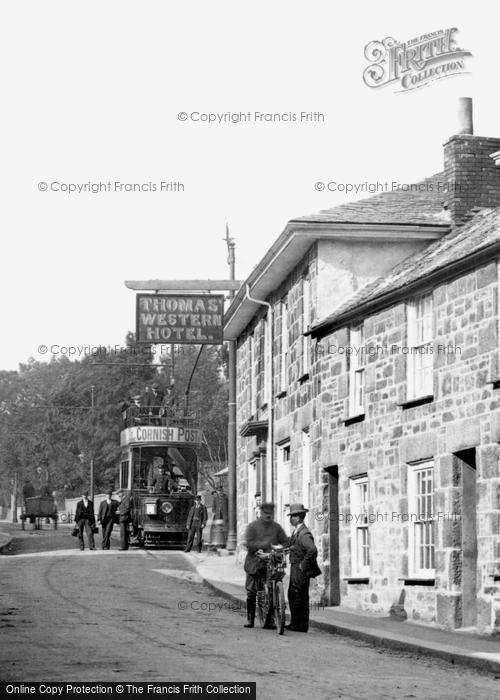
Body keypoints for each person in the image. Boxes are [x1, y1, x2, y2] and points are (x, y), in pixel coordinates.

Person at [242, 502, 288, 629]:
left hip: (271, 563)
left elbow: (285, 541)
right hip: (254, 563)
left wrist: (283, 546)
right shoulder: (253, 527)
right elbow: (249, 543)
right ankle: (250, 619)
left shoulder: (277, 528)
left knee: (272, 588)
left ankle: (271, 620)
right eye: (266, 513)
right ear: (261, 513)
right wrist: (262, 545)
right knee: (251, 592)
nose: (268, 516)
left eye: (270, 514)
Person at [285, 504, 322, 633]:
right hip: (295, 567)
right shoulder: (297, 531)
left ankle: (301, 625)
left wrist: (303, 565)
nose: (291, 518)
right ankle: (295, 623)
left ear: (300, 517)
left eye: (293, 516)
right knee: (293, 595)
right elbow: (293, 545)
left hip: (300, 569)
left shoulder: (304, 533)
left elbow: (312, 549)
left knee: (300, 596)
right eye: (291, 516)